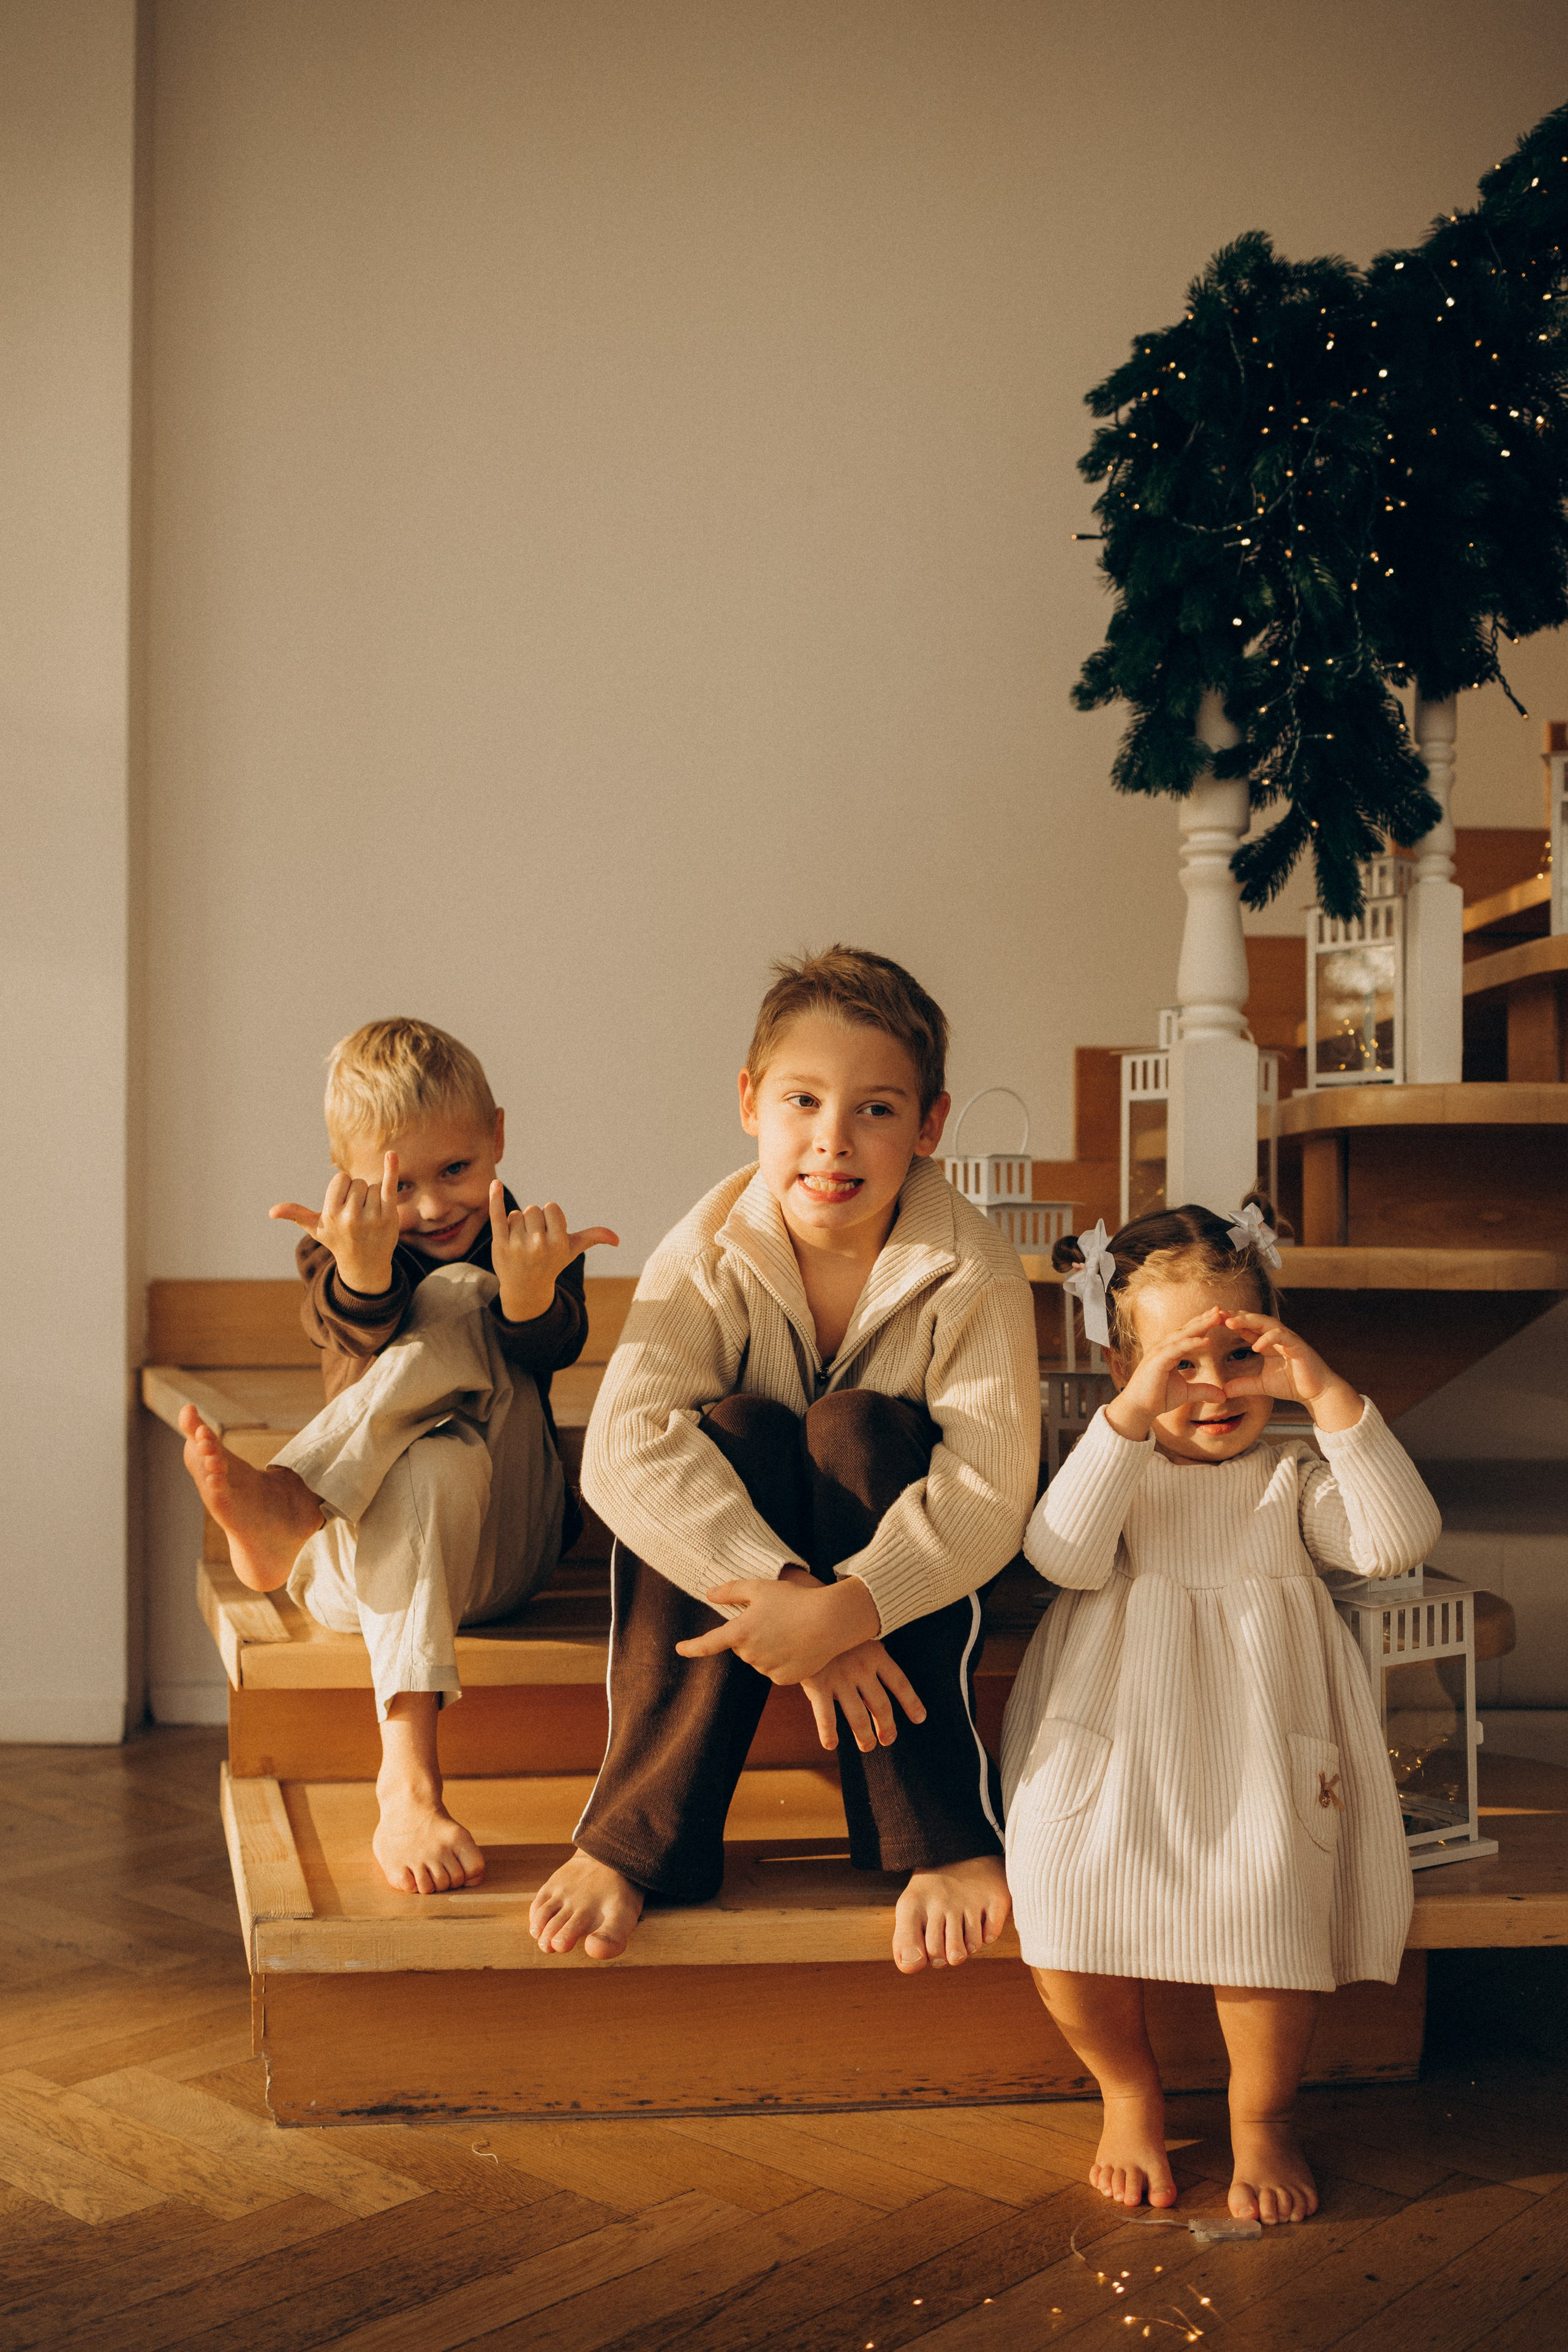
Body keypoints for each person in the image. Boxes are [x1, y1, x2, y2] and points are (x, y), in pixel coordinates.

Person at [527, 947, 1041, 1972]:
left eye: (876, 1109)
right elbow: (621, 1452)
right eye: (803, 1100)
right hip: (764, 1560)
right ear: (750, 1103)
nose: (832, 1139)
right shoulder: (708, 1250)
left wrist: (855, 1608)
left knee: (857, 1426)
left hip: (891, 1546)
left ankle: (940, 1832)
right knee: (736, 1434)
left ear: (930, 1125)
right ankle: (640, 1832)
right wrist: (799, 1604)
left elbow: (988, 1493)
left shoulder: (970, 1269)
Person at [1002, 1197, 1438, 2226]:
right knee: (1060, 1906)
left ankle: (1263, 2117)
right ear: (1123, 1366)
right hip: (1114, 1748)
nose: (1213, 1389)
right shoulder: (1116, 1473)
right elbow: (1059, 1554)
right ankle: (1127, 2092)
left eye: (1240, 1358)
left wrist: (1326, 1395)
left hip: (1259, 1758)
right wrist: (1126, 1418)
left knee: (1270, 1906)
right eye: (1179, 1365)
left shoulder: (1290, 1482)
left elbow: (1397, 1540)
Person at [178, 1017, 618, 1896]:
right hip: (357, 1571)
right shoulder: (336, 1248)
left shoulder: (524, 1243)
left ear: (498, 1136)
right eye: (400, 1183)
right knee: (429, 1454)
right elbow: (351, 1326)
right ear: (348, 1178)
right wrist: (366, 1270)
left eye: (456, 1169)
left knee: (462, 1299)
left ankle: (294, 1498)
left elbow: (553, 1349)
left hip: (500, 1552)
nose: (432, 1206)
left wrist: (528, 1296)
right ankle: (408, 1785)